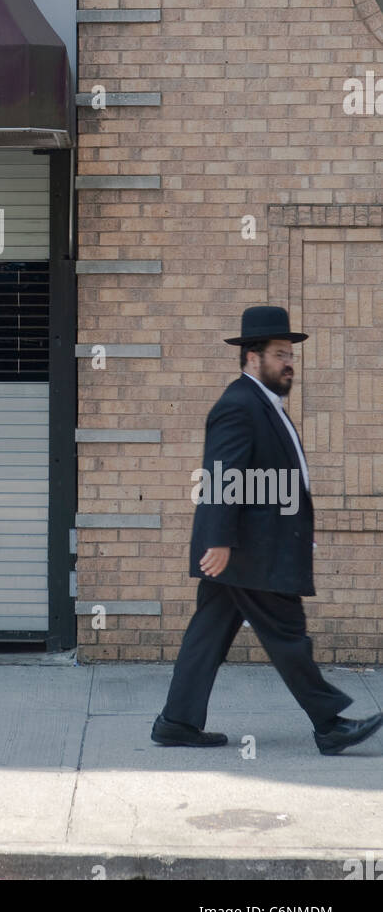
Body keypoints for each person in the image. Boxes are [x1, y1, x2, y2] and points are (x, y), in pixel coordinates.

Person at [152, 305, 383, 755]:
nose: (289, 361)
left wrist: (300, 522)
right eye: (280, 353)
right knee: (287, 633)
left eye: (289, 352)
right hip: (247, 551)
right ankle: (329, 724)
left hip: (249, 547)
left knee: (208, 635)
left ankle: (176, 722)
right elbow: (222, 474)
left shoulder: (262, 403)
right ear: (252, 358)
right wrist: (219, 540)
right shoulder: (239, 405)